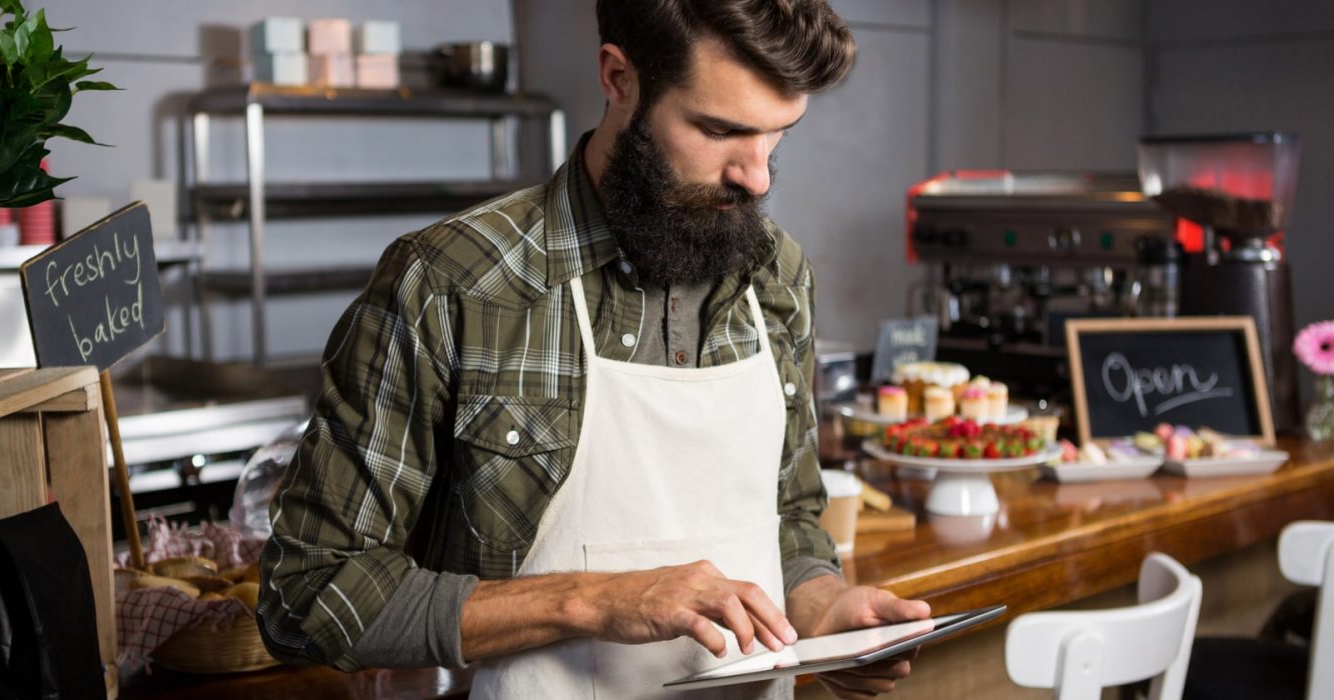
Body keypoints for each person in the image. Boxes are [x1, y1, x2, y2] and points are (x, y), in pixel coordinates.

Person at [258, 1, 931, 697]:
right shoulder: (453, 284)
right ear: (619, 78)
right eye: (720, 130)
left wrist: (823, 609)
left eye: (778, 135)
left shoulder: (777, 276)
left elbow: (788, 518)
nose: (757, 177)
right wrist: (592, 601)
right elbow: (309, 594)